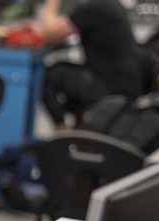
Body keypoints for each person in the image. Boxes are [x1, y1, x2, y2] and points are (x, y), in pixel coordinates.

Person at [39, 0, 148, 131]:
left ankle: (63, 132)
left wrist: (52, 2)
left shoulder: (93, 7)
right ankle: (81, 127)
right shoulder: (109, 4)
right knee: (66, 77)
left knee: (48, 76)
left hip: (112, 87)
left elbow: (50, 36)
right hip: (127, 83)